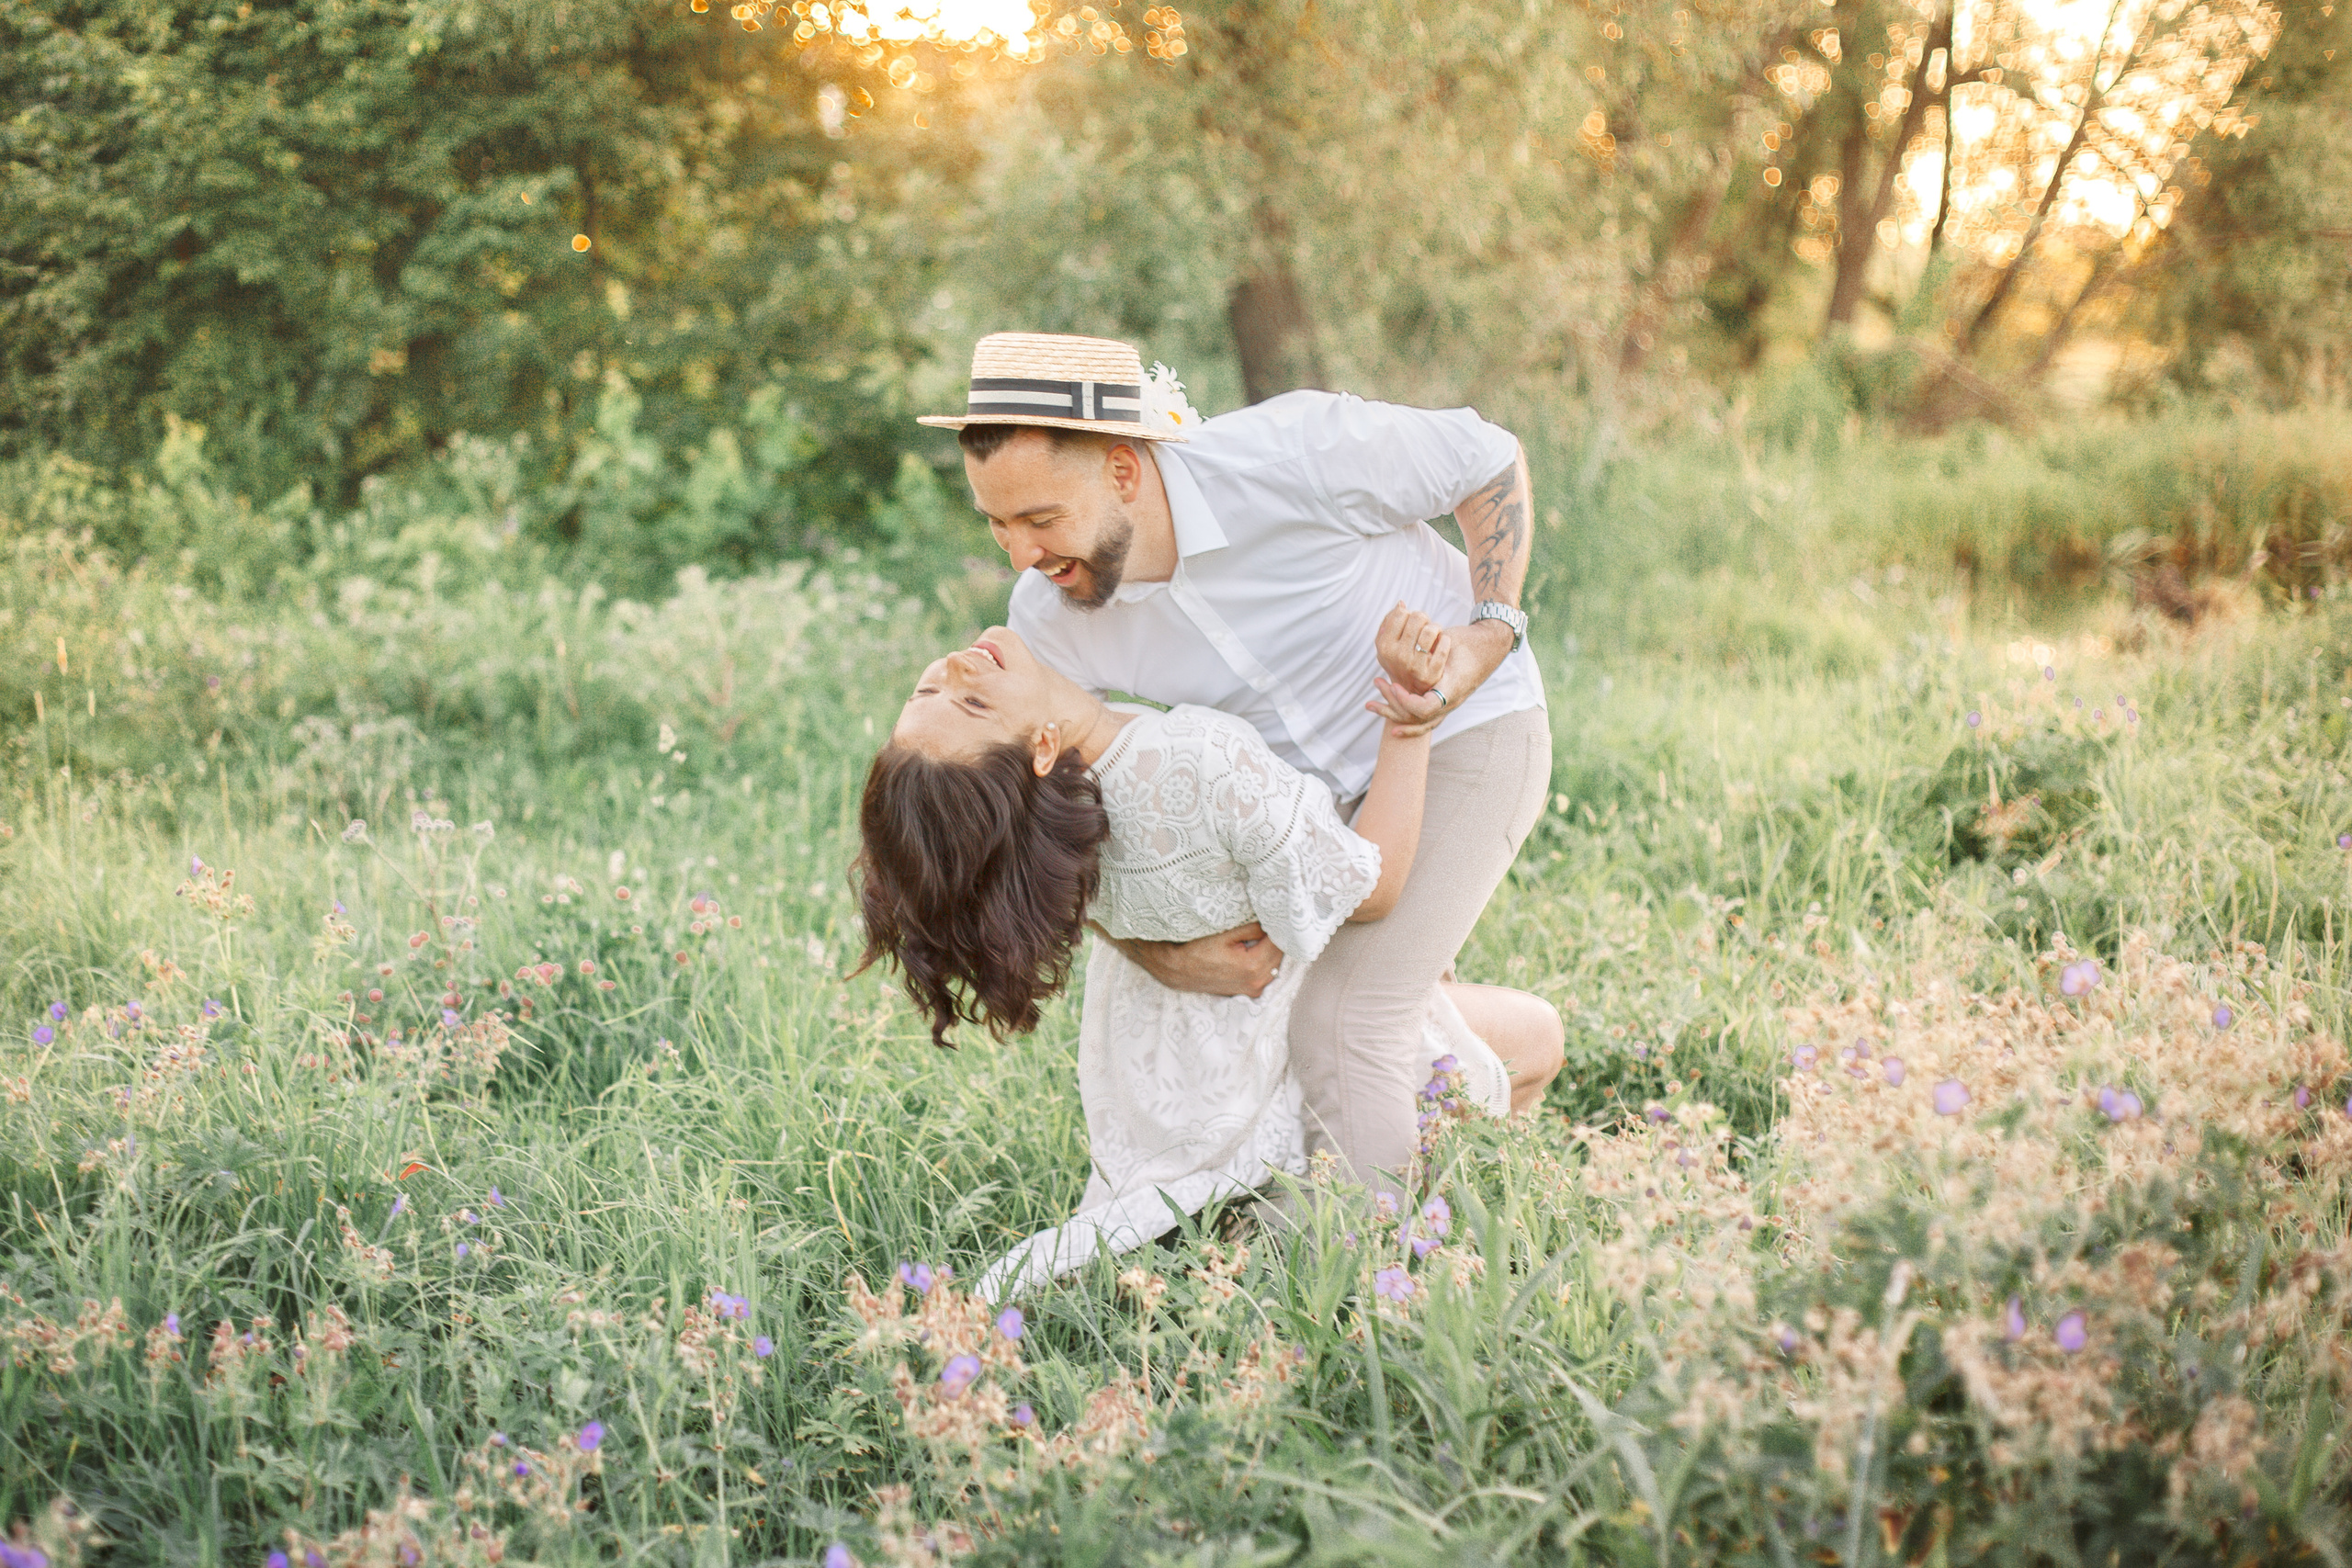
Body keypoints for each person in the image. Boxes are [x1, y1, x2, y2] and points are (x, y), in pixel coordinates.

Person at [915, 332, 1555, 1194]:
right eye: (996, 523)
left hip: (1461, 725)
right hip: (1297, 808)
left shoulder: (1290, 453)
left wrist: (1488, 631)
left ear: (1124, 473)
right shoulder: (1048, 620)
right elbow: (1045, 817)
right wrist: (1147, 948)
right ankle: (1517, 1065)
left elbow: (1488, 462)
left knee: (1344, 1016)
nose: (1022, 554)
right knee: (1278, 1015)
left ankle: (1375, 1289)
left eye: (1040, 519)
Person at [853, 621, 1563, 1301]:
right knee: (1538, 1037)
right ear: (1042, 745)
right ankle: (1471, 1205)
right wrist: (1409, 723)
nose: (951, 670)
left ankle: (1317, 1205)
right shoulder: (1195, 759)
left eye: (926, 694)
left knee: (1433, 1020)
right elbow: (1372, 887)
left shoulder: (1047, 833)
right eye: (969, 701)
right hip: (1274, 1034)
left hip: (1181, 1084)